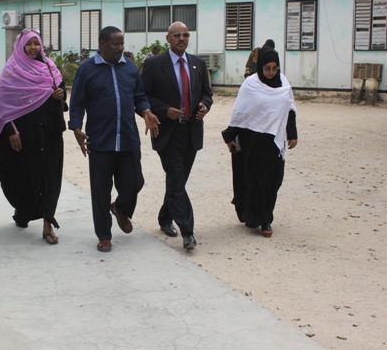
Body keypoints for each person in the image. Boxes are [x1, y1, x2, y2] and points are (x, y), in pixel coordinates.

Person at [68, 26, 160, 252]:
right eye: (116, 44)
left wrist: (146, 112)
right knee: (101, 190)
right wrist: (76, 128)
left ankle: (120, 208)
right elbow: (77, 103)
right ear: (102, 44)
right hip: (100, 140)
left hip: (128, 138)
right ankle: (104, 235)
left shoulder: (129, 67)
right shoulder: (87, 70)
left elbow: (139, 96)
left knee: (135, 183)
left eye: (122, 43)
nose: (120, 48)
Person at [0, 29, 66, 244]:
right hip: (25, 134)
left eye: (36, 44)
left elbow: (60, 90)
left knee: (50, 175)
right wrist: (11, 132)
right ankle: (23, 211)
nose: (33, 48)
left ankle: (48, 224)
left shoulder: (49, 66)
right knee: (25, 175)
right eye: (29, 44)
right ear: (21, 46)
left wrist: (61, 94)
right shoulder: (12, 69)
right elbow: (3, 105)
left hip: (50, 132)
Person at [141, 21, 213, 250]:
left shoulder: (198, 64)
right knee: (176, 179)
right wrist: (164, 110)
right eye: (177, 35)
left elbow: (207, 94)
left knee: (178, 182)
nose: (182, 38)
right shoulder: (154, 64)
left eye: (186, 35)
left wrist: (204, 105)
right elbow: (143, 96)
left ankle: (165, 217)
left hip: (191, 131)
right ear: (168, 38)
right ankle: (188, 232)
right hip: (167, 132)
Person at [221, 46, 298, 238]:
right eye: (267, 68)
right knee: (255, 180)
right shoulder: (251, 84)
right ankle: (264, 220)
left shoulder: (283, 83)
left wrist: (292, 134)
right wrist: (230, 136)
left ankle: (263, 214)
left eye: (274, 68)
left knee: (273, 180)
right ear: (260, 66)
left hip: (273, 140)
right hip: (252, 140)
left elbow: (289, 109)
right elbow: (240, 112)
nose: (271, 72)